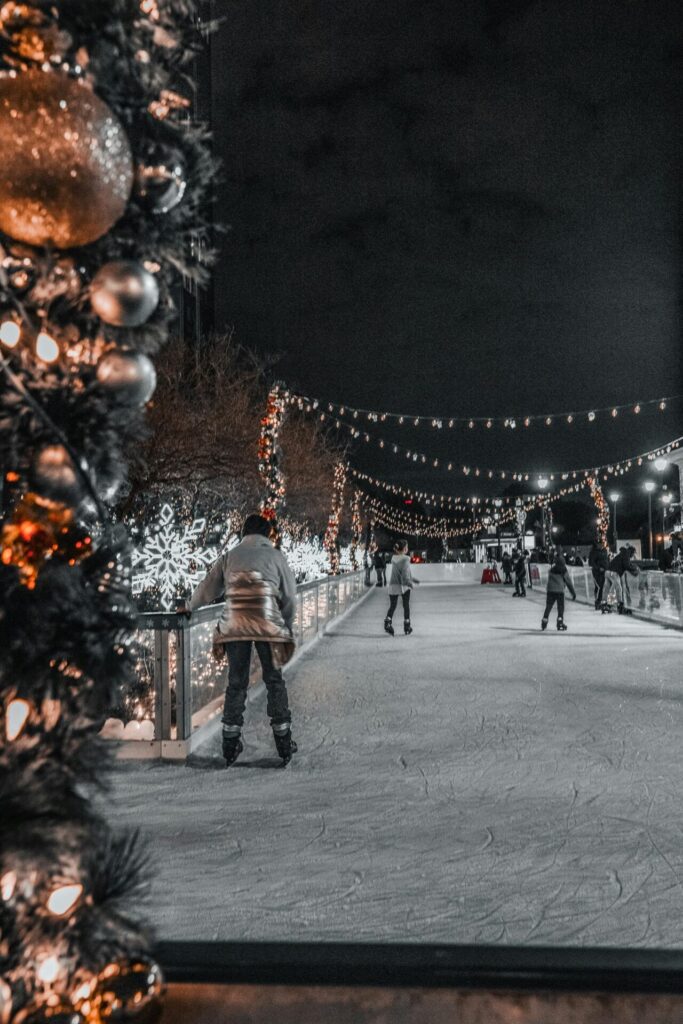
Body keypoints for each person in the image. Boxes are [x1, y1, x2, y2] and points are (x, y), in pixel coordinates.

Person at [187, 513, 298, 766]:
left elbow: (208, 587)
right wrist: (287, 624)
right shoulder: (275, 556)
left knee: (237, 682)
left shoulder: (230, 556)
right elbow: (290, 596)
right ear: (268, 534)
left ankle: (229, 742)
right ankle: (283, 740)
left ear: (244, 532)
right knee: (274, 680)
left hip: (235, 625)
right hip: (268, 625)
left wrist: (189, 606)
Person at [384, 538, 419, 635]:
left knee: (393, 605)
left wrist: (412, 578)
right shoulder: (405, 560)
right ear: (404, 549)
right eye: (407, 547)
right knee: (406, 605)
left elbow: (404, 573)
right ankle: (407, 625)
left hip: (393, 585)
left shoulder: (394, 559)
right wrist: (409, 583)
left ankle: (387, 622)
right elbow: (404, 576)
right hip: (404, 586)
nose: (407, 549)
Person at [541, 551, 577, 630]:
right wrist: (573, 593)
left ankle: (544, 621)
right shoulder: (563, 570)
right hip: (559, 591)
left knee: (549, 606)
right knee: (560, 607)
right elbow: (568, 582)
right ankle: (560, 622)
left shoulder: (551, 569)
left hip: (550, 590)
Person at [602, 545, 639, 615]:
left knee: (607, 588)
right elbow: (627, 565)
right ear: (631, 552)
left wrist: (632, 566)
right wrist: (635, 568)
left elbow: (626, 564)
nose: (633, 556)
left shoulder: (622, 554)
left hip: (607, 572)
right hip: (613, 573)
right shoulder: (626, 554)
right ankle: (619, 605)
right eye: (633, 554)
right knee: (617, 589)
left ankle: (604, 604)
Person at [588, 539, 609, 609]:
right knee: (599, 586)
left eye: (602, 544)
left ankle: (605, 602)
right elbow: (591, 563)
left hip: (605, 572)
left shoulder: (605, 551)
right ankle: (598, 602)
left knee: (606, 586)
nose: (601, 545)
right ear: (597, 545)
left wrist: (607, 567)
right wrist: (598, 568)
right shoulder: (593, 552)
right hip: (597, 573)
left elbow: (607, 560)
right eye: (599, 544)